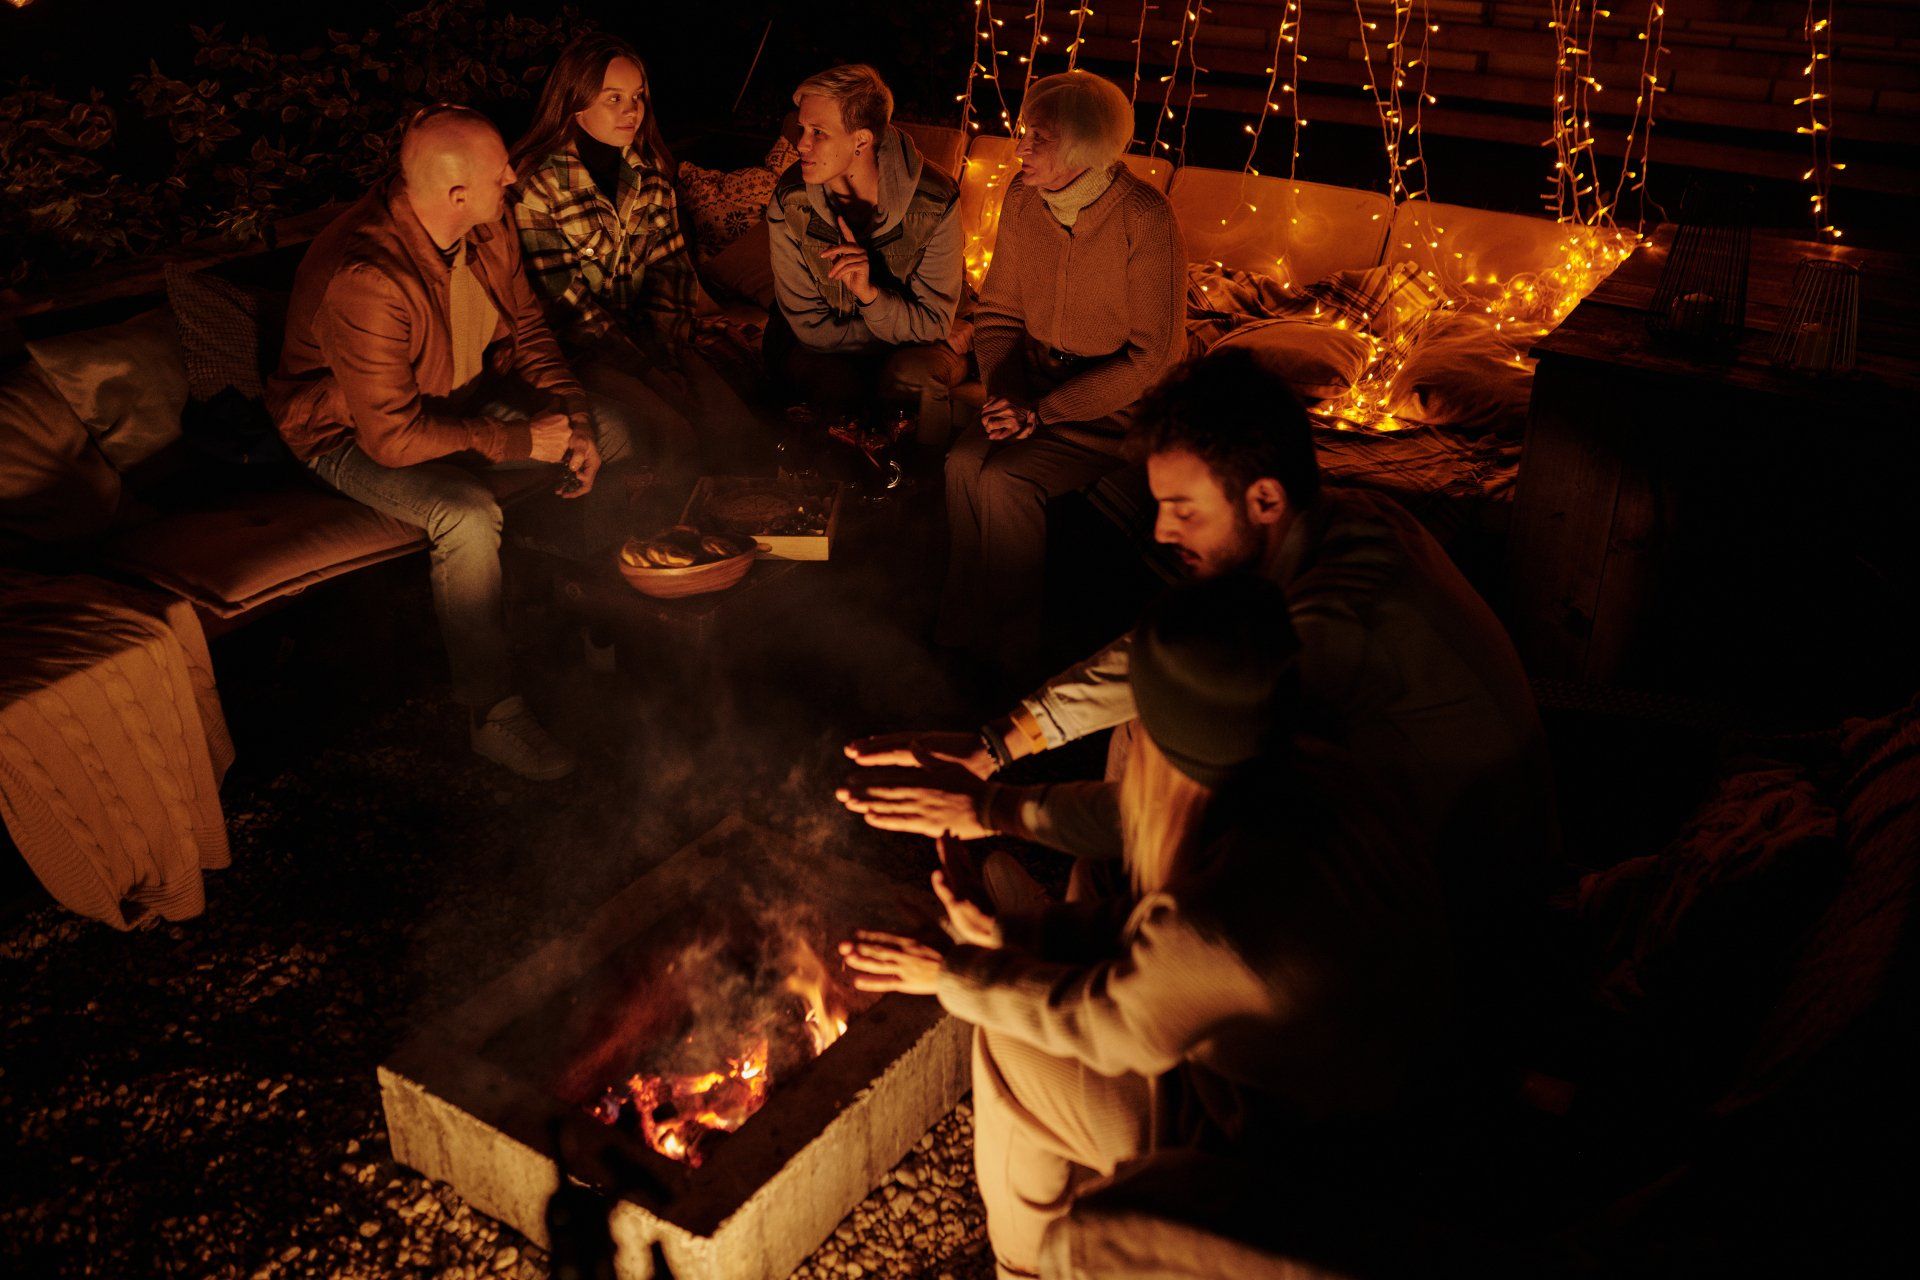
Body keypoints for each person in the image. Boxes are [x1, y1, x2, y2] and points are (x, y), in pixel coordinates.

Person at [850, 350, 1557, 1013]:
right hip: (1377, 847)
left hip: (1449, 910)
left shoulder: (1334, 623)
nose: (1161, 532)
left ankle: (1108, 977)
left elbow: (1192, 808)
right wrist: (996, 746)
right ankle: (1082, 930)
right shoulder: (1328, 522)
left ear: (1264, 499)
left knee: (1163, 745)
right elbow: (1157, 657)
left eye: (1183, 509)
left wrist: (994, 809)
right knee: (1150, 720)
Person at [840, 578, 1454, 1280]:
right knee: (1087, 896)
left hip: (1310, 1183)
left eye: (1144, 728)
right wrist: (1018, 933)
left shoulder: (1227, 921)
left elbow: (1102, 1023)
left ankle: (1022, 1271)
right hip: (1381, 1109)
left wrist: (950, 974)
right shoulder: (1319, 778)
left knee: (1010, 1047)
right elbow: (1149, 937)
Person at [271, 104, 632, 781]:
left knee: (609, 431)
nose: (513, 182)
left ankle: (592, 612)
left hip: (454, 401)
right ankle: (492, 712)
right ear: (456, 193)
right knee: (465, 514)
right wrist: (519, 438)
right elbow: (393, 436)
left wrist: (574, 419)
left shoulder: (485, 225)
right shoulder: (369, 278)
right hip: (346, 433)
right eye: (501, 176)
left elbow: (528, 330)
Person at [938, 69, 1187, 679]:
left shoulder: (1144, 216)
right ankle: (961, 630)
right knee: (962, 462)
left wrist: (1042, 413)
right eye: (1024, 132)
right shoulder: (1024, 200)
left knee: (1006, 481)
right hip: (1030, 386)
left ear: (1082, 148)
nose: (1019, 148)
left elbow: (1153, 356)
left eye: (1039, 138)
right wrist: (1006, 395)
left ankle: (1012, 655)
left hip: (1115, 405)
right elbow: (999, 314)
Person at [509, 34, 768, 472]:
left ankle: (748, 512)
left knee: (737, 430)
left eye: (638, 96)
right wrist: (647, 371)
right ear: (575, 103)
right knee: (673, 433)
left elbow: (672, 271)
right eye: (614, 98)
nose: (631, 110)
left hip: (649, 338)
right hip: (579, 353)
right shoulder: (538, 188)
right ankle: (663, 515)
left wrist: (668, 352)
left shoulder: (649, 175)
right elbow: (568, 306)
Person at [763, 63, 968, 420]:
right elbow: (811, 330)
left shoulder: (935, 201)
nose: (801, 144)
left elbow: (933, 321)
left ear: (861, 140)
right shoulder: (790, 199)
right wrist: (910, 330)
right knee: (838, 390)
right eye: (802, 129)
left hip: (903, 349)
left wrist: (872, 297)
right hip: (818, 346)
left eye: (818, 132)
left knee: (906, 380)